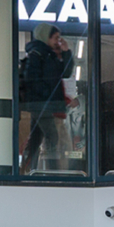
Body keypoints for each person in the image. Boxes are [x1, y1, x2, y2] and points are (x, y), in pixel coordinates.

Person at [18, 23, 75, 171]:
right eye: (55, 38)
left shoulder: (49, 55)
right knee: (52, 137)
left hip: (43, 104)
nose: (58, 41)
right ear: (46, 37)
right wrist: (47, 97)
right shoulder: (37, 54)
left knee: (36, 140)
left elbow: (66, 73)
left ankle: (26, 170)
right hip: (42, 105)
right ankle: (53, 171)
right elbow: (33, 80)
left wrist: (66, 52)